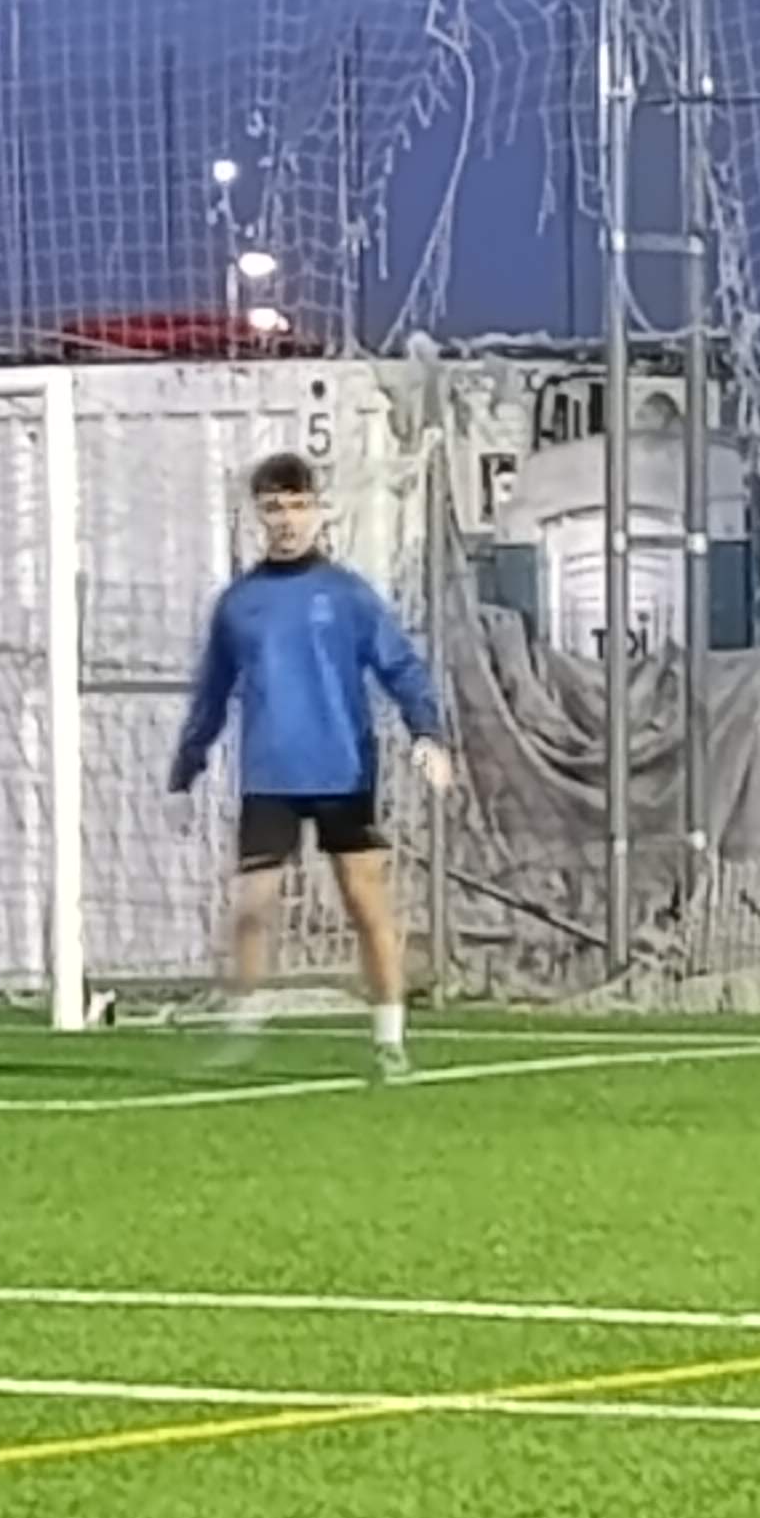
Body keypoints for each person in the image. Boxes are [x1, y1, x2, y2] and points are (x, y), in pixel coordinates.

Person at [167, 451, 452, 1077]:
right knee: (251, 905)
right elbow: (211, 693)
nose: (287, 519)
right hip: (269, 776)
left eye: (298, 506)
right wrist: (184, 772)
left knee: (365, 901)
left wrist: (427, 732)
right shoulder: (239, 604)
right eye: (274, 507)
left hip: (342, 770)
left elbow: (401, 667)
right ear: (257, 516)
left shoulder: (347, 595)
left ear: (319, 512)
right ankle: (242, 1030)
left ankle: (389, 1037)